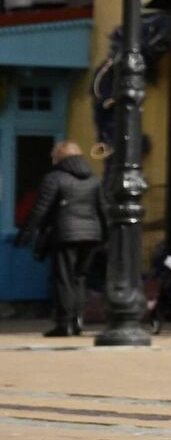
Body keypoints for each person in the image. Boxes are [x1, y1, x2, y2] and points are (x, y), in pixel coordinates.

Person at [23, 142, 106, 337]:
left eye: (54, 157)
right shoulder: (94, 179)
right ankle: (77, 321)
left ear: (59, 158)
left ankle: (64, 323)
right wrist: (105, 236)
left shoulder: (54, 178)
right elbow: (103, 209)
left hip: (65, 235)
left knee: (64, 279)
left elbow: (40, 209)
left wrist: (26, 233)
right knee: (80, 278)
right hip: (91, 236)